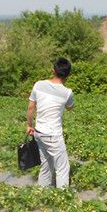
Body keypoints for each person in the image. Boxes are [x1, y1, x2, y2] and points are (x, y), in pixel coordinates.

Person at [27, 57, 74, 188]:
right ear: (68, 75)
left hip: (39, 132)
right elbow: (70, 107)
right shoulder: (67, 93)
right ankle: (62, 199)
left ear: (53, 70)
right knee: (63, 168)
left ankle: (42, 193)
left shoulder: (38, 84)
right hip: (53, 135)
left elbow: (31, 107)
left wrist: (29, 125)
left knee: (46, 164)